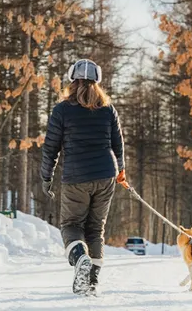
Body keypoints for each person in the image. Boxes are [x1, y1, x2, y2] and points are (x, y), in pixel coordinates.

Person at [40, 59, 127, 296]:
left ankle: (80, 259)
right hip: (106, 175)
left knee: (71, 225)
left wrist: (46, 177)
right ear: (97, 81)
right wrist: (121, 171)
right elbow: (118, 145)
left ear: (72, 80)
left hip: (76, 176)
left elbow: (50, 148)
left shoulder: (62, 110)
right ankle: (91, 282)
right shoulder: (108, 109)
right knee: (95, 229)